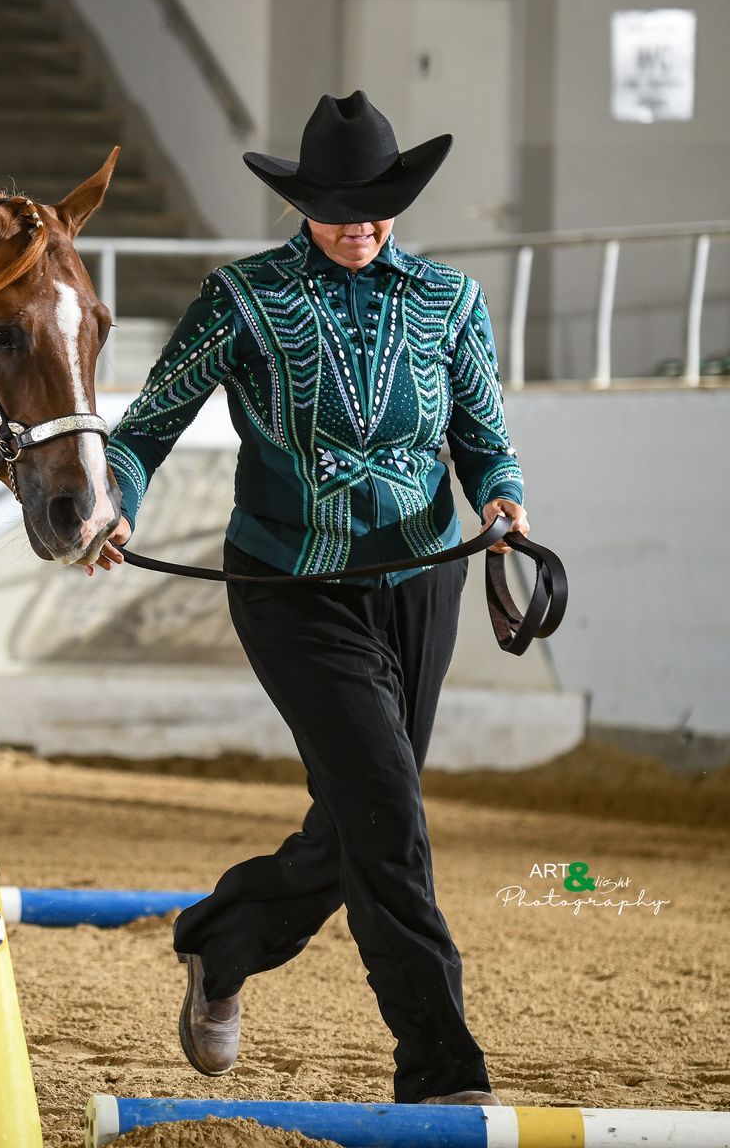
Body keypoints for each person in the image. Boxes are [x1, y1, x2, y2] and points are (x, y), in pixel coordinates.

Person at [84, 91, 530, 1106]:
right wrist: (120, 503)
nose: (357, 223)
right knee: (389, 812)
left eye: (374, 205)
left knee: (359, 819)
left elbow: (484, 437)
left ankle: (224, 939)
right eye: (336, 207)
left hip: (421, 582)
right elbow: (145, 427)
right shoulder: (242, 298)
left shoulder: (452, 302)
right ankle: (441, 1066)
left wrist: (503, 496)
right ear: (303, 204)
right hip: (290, 587)